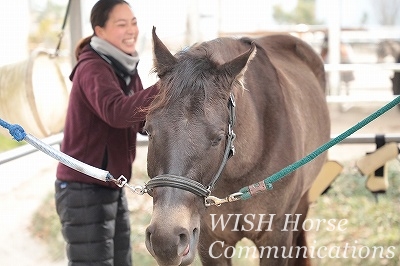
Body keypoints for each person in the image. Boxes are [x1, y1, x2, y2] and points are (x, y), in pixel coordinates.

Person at [55, 1, 158, 265]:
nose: (131, 30)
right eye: (121, 24)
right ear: (99, 31)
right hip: (83, 189)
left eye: (133, 22)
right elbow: (117, 111)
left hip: (111, 185)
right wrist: (169, 85)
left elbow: (139, 119)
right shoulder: (92, 67)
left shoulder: (124, 66)